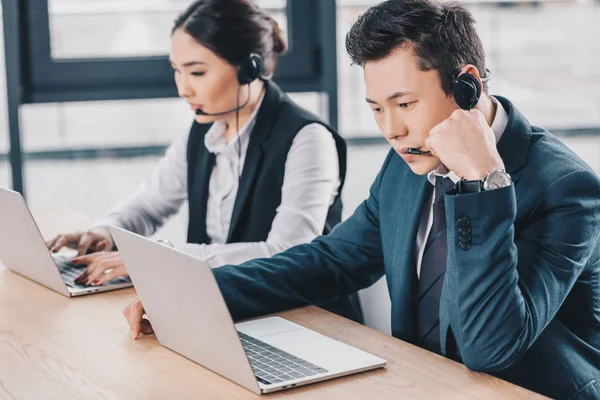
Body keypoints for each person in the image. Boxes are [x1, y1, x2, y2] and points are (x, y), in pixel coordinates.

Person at [124, 0, 600, 398]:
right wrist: (196, 296)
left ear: (466, 84)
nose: (391, 130)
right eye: (376, 109)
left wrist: (482, 181)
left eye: (405, 104)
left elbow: (490, 348)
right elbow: (331, 260)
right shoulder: (409, 161)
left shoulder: (565, 188)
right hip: (423, 386)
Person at [47, 0, 362, 322]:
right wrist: (105, 232)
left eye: (197, 72)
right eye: (177, 70)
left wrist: (162, 258)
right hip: (227, 303)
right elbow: (151, 204)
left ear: (248, 69)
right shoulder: (204, 130)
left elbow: (287, 252)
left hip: (306, 316)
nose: (184, 88)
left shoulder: (307, 138)